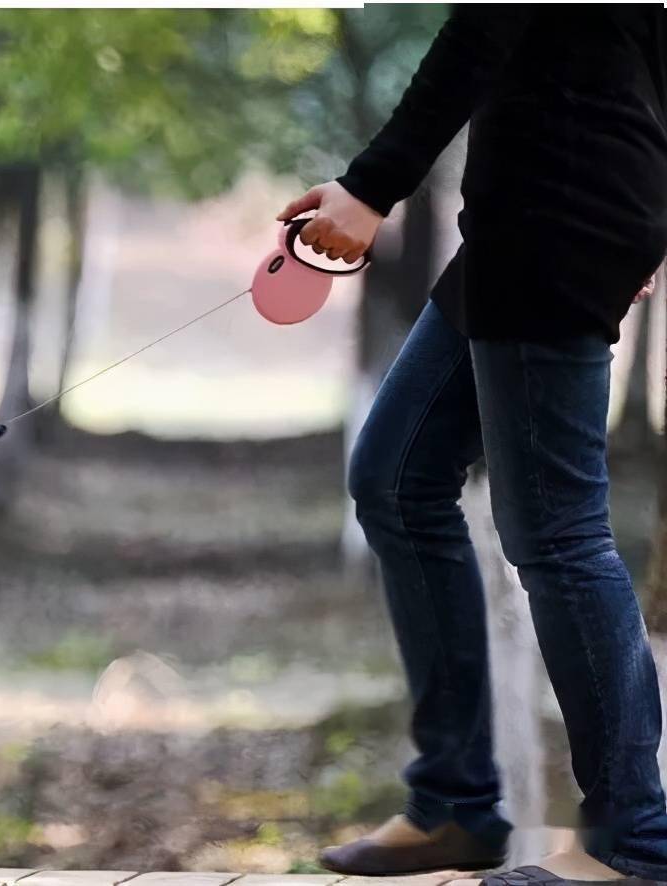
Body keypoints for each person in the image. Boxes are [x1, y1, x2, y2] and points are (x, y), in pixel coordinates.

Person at [278, 7, 667, 886]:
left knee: (559, 535)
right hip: (535, 213)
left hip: (561, 208)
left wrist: (372, 185)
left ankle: (635, 843)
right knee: (396, 477)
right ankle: (454, 802)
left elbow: (483, 28)